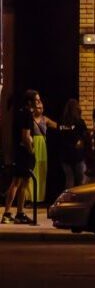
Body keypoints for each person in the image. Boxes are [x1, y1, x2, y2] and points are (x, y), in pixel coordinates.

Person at [2, 90, 48, 224]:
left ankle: (17, 213)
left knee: (22, 183)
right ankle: (9, 213)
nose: (39, 102)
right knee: (18, 183)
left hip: (19, 151)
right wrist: (31, 150)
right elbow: (26, 136)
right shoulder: (27, 114)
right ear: (30, 102)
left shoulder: (20, 112)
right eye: (36, 100)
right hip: (25, 154)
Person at [57, 98, 88, 191]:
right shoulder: (80, 122)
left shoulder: (61, 122)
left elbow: (59, 137)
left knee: (69, 181)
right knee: (82, 181)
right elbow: (85, 136)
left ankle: (67, 202)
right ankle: (81, 202)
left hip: (65, 156)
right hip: (78, 155)